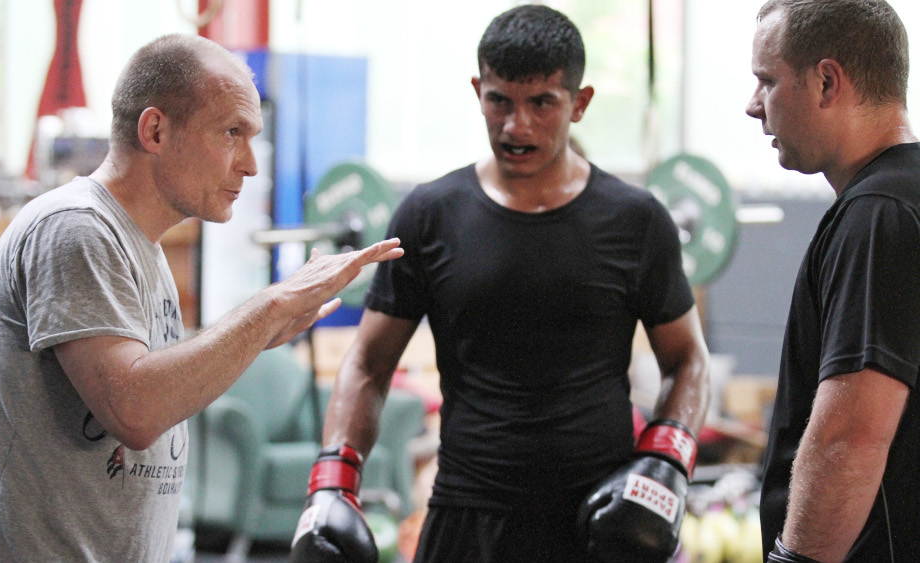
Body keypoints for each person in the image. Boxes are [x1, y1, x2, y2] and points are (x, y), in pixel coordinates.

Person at [0, 33, 402, 562]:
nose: (250, 164)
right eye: (232, 133)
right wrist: (269, 307)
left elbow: (153, 378)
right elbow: (135, 409)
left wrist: (262, 333)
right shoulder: (77, 229)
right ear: (155, 129)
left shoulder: (142, 246)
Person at [290, 5, 710, 562]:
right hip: (468, 515)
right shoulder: (428, 214)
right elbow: (368, 363)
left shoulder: (636, 220)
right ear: (477, 91)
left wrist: (664, 461)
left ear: (579, 103)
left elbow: (687, 360)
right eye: (500, 100)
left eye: (542, 103)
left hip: (600, 518)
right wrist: (333, 482)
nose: (517, 126)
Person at [746, 1, 920, 561]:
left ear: (826, 81)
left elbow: (851, 437)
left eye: (766, 81)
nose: (753, 106)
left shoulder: (877, 214)